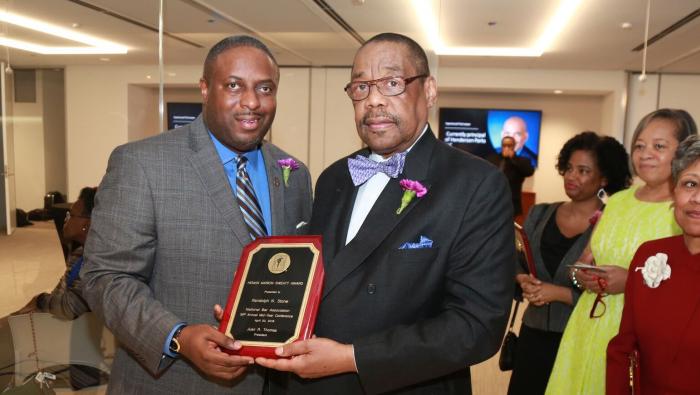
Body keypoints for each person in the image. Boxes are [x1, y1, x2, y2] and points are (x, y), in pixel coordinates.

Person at [255, 32, 514, 394]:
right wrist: (257, 316)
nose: (373, 100)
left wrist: (353, 357)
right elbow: (322, 280)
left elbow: (478, 326)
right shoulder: (333, 177)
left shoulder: (475, 184)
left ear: (429, 91)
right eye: (361, 87)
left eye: (392, 83)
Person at [81, 35, 312, 394]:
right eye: (233, 85)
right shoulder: (143, 164)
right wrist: (178, 337)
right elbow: (105, 277)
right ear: (205, 89)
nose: (251, 102)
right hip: (175, 382)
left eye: (265, 88)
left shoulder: (294, 173)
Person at [546, 108, 696, 394]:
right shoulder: (616, 201)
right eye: (639, 145)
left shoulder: (685, 211)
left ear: (684, 152)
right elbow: (585, 260)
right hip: (589, 319)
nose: (645, 153)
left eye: (659, 146)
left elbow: (685, 281)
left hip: (637, 327)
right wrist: (583, 276)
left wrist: (630, 281)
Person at [508, 132, 631, 395]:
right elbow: (516, 261)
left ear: (604, 178)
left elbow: (611, 283)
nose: (572, 176)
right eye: (569, 168)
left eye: (583, 170)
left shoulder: (613, 223)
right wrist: (522, 280)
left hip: (580, 336)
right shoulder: (540, 213)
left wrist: (561, 294)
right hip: (533, 333)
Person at [606, 134, 700, 394]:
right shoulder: (651, 255)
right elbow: (623, 348)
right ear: (675, 191)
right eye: (690, 184)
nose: (697, 199)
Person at [0, 187, 98, 390]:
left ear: (86, 225)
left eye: (72, 215)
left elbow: (70, 308)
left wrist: (40, 301)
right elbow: (61, 295)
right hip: (58, 322)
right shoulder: (81, 254)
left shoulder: (94, 261)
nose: (66, 218)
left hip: (67, 333)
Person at [487, 136, 534, 217]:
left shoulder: (522, 160)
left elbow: (529, 172)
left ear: (514, 146)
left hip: (511, 201)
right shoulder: (492, 159)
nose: (507, 148)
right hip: (492, 200)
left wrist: (513, 158)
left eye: (509, 145)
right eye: (504, 145)